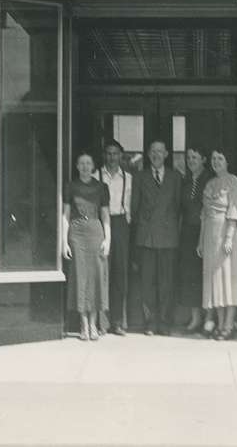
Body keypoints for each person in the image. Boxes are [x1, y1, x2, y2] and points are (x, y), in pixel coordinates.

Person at [131, 139, 182, 336]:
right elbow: (135, 208)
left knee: (167, 282)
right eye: (153, 151)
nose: (156, 155)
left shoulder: (176, 177)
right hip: (147, 238)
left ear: (167, 154)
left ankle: (165, 322)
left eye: (160, 151)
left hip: (168, 238)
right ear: (148, 154)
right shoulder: (140, 176)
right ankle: (150, 322)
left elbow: (178, 208)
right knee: (147, 282)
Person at [62, 151, 111, 341]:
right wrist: (64, 241)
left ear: (93, 166)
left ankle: (93, 324)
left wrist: (108, 240)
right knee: (80, 277)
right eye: (81, 163)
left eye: (88, 163)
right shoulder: (71, 186)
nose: (85, 167)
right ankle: (83, 325)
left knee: (96, 277)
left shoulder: (101, 187)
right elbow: (66, 214)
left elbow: (105, 215)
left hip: (95, 231)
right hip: (77, 233)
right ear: (76, 166)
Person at [197, 148, 237, 341]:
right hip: (209, 236)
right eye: (214, 158)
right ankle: (219, 321)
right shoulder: (210, 184)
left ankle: (229, 323)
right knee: (214, 279)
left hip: (226, 234)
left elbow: (235, 209)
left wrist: (229, 237)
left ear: (227, 161)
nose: (216, 162)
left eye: (220, 158)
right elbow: (204, 215)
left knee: (228, 278)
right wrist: (200, 241)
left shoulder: (233, 182)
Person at [96, 139, 133, 336]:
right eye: (109, 153)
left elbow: (130, 205)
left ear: (121, 155)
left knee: (120, 273)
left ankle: (118, 322)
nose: (112, 157)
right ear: (105, 156)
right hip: (101, 224)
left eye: (115, 153)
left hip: (120, 225)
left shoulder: (128, 177)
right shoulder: (96, 175)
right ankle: (102, 322)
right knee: (102, 273)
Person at [178, 145, 214, 333]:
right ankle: (195, 317)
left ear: (204, 160)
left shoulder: (209, 180)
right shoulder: (185, 181)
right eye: (189, 157)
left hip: (205, 231)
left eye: (195, 157)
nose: (191, 161)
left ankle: (209, 316)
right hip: (187, 233)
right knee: (190, 275)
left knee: (205, 273)